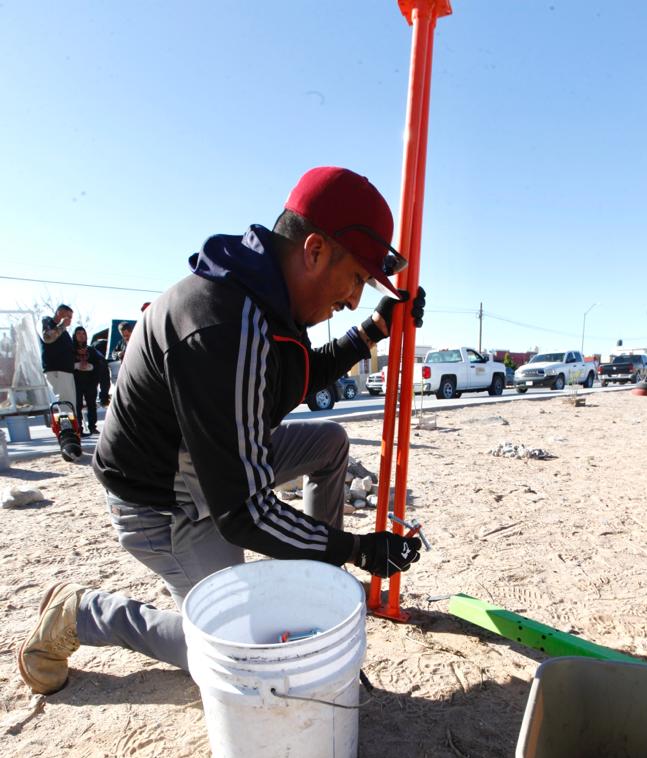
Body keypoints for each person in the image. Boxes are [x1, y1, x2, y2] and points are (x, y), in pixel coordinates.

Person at [18, 166, 426, 696]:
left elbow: (298, 378)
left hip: (209, 465)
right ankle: (82, 612)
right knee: (241, 656)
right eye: (355, 279)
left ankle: (318, 586)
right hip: (163, 503)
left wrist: (374, 329)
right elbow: (245, 513)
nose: (353, 299)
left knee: (329, 444)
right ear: (314, 250)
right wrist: (356, 549)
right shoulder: (222, 324)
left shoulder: (265, 300)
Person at [40, 303, 77, 410]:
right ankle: (65, 421)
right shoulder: (47, 321)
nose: (69, 320)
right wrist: (62, 325)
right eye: (68, 316)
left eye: (71, 317)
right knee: (63, 404)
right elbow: (47, 337)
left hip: (66, 371)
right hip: (57, 371)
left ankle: (70, 421)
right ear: (59, 313)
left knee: (69, 404)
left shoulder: (63, 331)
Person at [72, 326, 108, 434]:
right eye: (79, 334)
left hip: (90, 381)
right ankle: (79, 428)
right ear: (74, 336)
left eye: (83, 334)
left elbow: (99, 364)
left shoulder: (91, 350)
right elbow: (66, 364)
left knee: (91, 404)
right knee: (77, 405)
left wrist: (90, 366)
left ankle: (92, 426)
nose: (81, 336)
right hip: (76, 382)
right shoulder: (70, 350)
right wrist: (77, 365)